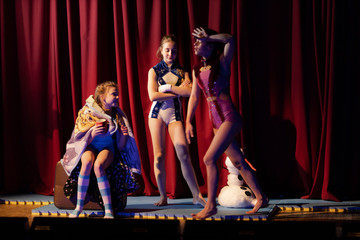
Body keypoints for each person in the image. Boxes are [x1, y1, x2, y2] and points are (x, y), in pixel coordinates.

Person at [186, 27, 268, 219]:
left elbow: (230, 39)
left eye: (200, 41)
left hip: (229, 118)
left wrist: (209, 36)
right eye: (196, 41)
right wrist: (188, 121)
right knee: (238, 161)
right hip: (216, 122)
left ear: (210, 44)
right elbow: (194, 97)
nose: (196, 44)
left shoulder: (221, 62)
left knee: (208, 159)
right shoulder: (197, 68)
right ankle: (261, 197)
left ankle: (211, 206)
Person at [61, 81, 141, 218]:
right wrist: (91, 134)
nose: (117, 97)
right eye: (114, 94)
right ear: (103, 97)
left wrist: (124, 136)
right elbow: (79, 137)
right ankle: (79, 207)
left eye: (118, 94)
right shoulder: (87, 111)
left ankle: (108, 209)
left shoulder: (117, 115)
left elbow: (121, 147)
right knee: (86, 163)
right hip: (90, 146)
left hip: (107, 148)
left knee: (98, 166)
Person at [148, 34, 206, 207]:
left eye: (173, 51)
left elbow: (191, 93)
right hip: (156, 114)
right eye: (167, 50)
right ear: (161, 50)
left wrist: (167, 88)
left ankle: (197, 196)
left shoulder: (183, 72)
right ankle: (163, 196)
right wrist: (178, 90)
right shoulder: (154, 71)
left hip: (175, 115)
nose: (170, 54)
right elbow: (153, 96)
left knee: (183, 153)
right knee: (159, 156)